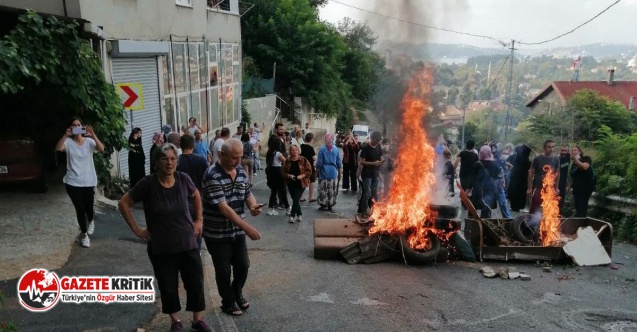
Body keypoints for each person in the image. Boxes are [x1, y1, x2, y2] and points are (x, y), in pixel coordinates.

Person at [118, 143, 212, 332]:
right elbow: (124, 203)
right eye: (164, 159)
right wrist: (137, 229)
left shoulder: (183, 179)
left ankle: (198, 320)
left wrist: (199, 219)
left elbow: (196, 195)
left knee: (194, 282)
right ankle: (175, 321)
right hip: (161, 246)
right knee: (168, 285)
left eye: (172, 159)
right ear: (156, 163)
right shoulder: (148, 184)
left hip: (187, 242)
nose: (169, 163)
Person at [202, 138, 262, 317]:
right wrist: (247, 228)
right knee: (223, 270)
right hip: (216, 233)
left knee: (243, 265)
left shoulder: (240, 171)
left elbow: (247, 192)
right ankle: (228, 302)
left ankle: (236, 291)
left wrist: (252, 205)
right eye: (234, 158)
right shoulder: (212, 174)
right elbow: (224, 209)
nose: (238, 161)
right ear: (221, 155)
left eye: (240, 157)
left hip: (236, 232)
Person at [55, 117, 104, 248]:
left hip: (88, 180)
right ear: (71, 128)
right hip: (72, 181)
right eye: (73, 125)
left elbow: (101, 149)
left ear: (82, 127)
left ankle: (91, 220)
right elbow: (58, 148)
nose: (76, 127)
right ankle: (85, 236)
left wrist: (93, 135)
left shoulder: (89, 142)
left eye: (78, 125)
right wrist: (66, 135)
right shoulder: (69, 143)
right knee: (79, 209)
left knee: (89, 207)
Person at [177, 134, 210, 254]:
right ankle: (196, 251)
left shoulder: (177, 161)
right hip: (198, 200)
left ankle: (183, 250)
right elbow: (208, 178)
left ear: (180, 145)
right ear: (193, 145)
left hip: (180, 201)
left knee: (182, 228)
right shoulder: (201, 160)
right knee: (197, 227)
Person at [527, 140, 560, 215]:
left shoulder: (556, 159)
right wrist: (529, 187)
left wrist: (556, 187)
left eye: (553, 147)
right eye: (549, 147)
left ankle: (546, 225)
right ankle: (531, 225)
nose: (551, 149)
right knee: (534, 208)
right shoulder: (538, 158)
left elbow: (557, 173)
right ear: (544, 148)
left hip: (550, 189)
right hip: (538, 187)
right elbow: (531, 172)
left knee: (548, 209)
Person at [468, 146, 502, 218]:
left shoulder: (477, 164)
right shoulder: (494, 164)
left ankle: (472, 225)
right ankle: (485, 226)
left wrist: (468, 190)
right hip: (490, 191)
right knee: (486, 210)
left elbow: (472, 178)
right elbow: (499, 177)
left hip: (478, 191)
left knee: (472, 209)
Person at [282, 144, 312, 223]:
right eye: (293, 150)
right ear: (290, 151)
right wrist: (289, 175)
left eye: (296, 150)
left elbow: (309, 171)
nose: (295, 151)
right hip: (291, 183)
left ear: (298, 151)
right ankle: (299, 214)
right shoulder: (287, 161)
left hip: (301, 183)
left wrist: (302, 175)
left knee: (296, 199)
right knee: (295, 200)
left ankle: (292, 216)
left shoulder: (303, 160)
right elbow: (283, 172)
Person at [359, 131, 383, 217]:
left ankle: (374, 210)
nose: (378, 142)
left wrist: (382, 161)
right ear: (372, 138)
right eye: (377, 140)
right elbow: (362, 161)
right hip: (366, 174)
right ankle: (364, 210)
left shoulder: (378, 147)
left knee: (375, 193)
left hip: (375, 173)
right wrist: (374, 163)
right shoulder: (365, 147)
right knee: (367, 193)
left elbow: (380, 157)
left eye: (378, 140)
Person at [316, 134, 342, 211]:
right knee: (331, 188)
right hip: (333, 171)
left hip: (324, 171)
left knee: (323, 188)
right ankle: (330, 204)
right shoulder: (336, 149)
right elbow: (338, 162)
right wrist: (339, 173)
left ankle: (323, 204)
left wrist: (316, 172)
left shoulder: (322, 149)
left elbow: (319, 163)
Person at [567, 146, 595, 217]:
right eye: (572, 150)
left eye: (575, 150)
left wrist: (575, 160)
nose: (573, 152)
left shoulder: (586, 158)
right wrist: (569, 186)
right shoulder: (573, 164)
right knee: (578, 207)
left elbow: (585, 167)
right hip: (576, 189)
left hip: (585, 188)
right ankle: (579, 222)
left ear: (580, 151)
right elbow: (574, 175)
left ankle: (582, 224)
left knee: (582, 208)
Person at [265, 135, 289, 216]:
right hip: (279, 172)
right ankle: (287, 208)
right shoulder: (278, 153)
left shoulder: (269, 152)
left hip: (272, 172)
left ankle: (270, 208)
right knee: (283, 191)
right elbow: (285, 161)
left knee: (273, 191)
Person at [508, 144, 532, 212]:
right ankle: (520, 206)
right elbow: (529, 165)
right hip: (522, 178)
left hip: (515, 177)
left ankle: (514, 206)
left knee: (514, 191)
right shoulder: (524, 158)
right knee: (521, 192)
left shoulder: (518, 157)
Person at [489, 142, 511, 218]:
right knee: (489, 203)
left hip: (499, 184)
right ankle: (486, 219)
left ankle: (507, 219)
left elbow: (502, 172)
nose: (505, 155)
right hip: (492, 185)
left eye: (507, 153)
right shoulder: (493, 161)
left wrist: (503, 180)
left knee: (503, 202)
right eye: (504, 153)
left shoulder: (501, 160)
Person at [299, 133, 317, 203]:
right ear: (311, 139)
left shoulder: (301, 146)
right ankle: (310, 196)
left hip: (301, 166)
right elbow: (314, 158)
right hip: (309, 166)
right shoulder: (310, 148)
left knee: (302, 181)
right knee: (312, 181)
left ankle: (301, 197)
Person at [558, 145, 571, 216]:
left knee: (561, 204)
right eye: (562, 150)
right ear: (559, 151)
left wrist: (568, 185)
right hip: (554, 185)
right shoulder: (556, 159)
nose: (563, 152)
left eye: (565, 151)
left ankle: (558, 220)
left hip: (563, 185)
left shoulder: (568, 158)